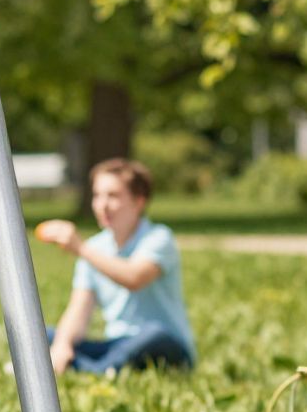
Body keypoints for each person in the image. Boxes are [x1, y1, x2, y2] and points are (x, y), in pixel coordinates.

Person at [34, 158, 195, 374]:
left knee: (153, 335)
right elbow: (78, 311)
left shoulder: (158, 238)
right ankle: (87, 366)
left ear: (139, 201)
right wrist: (62, 345)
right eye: (97, 195)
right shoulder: (95, 246)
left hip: (165, 345)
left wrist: (80, 249)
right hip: (117, 343)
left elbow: (134, 278)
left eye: (113, 196)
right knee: (40, 335)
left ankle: (93, 370)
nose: (102, 205)